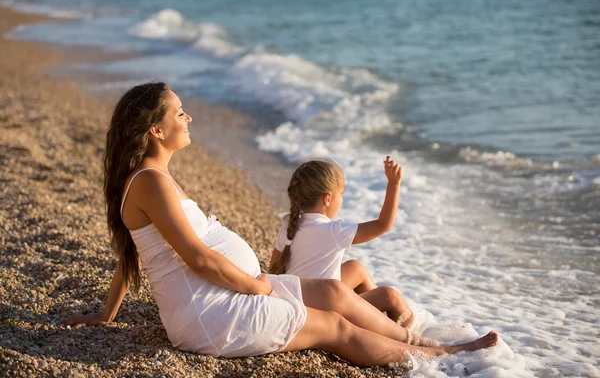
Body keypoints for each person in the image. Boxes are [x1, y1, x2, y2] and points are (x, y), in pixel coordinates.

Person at [62, 82, 499, 368]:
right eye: (180, 113)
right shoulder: (151, 183)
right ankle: (434, 357)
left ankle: (413, 339)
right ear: (156, 129)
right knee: (333, 326)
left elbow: (131, 251)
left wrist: (106, 314)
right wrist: (256, 286)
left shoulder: (154, 179)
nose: (188, 117)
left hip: (223, 291)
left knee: (332, 291)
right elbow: (196, 257)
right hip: (210, 314)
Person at [269, 158, 416, 328]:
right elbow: (383, 225)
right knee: (390, 296)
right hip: (324, 310)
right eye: (342, 194)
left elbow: (274, 269)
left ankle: (374, 318)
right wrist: (394, 183)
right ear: (327, 199)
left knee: (355, 268)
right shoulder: (333, 231)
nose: (342, 199)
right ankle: (407, 332)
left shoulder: (289, 227)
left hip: (298, 298)